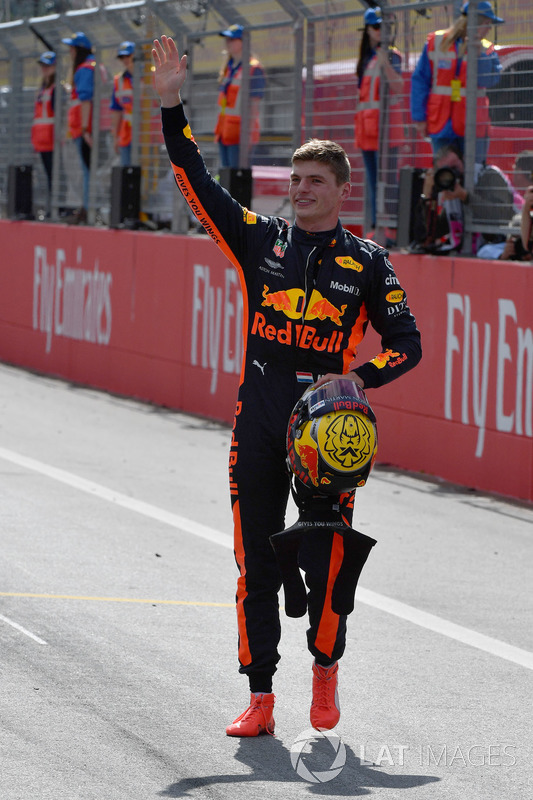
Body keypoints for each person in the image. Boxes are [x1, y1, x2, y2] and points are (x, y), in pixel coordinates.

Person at [152, 35, 421, 736]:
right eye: (294, 181)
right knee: (253, 564)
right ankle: (261, 698)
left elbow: (407, 347)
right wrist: (171, 104)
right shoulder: (257, 239)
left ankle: (324, 674)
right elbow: (193, 176)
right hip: (258, 418)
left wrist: (354, 378)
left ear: (339, 190)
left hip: (327, 433)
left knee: (331, 562)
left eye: (314, 183)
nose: (299, 190)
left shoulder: (366, 263)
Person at [410, 0, 504, 166]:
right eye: (487, 23)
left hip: (472, 125)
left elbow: (490, 79)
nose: (490, 29)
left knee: (473, 174)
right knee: (444, 174)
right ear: (474, 22)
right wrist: (419, 117)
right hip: (441, 123)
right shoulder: (436, 42)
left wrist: (478, 55)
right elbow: (420, 79)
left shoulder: (486, 49)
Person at [412, 144, 521, 254]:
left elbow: (501, 217)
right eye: (445, 172)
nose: (451, 175)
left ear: (464, 160)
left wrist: (465, 196)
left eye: (454, 168)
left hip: (504, 244)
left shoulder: (488, 175)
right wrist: (427, 198)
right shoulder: (450, 192)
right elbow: (434, 232)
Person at [355, 6, 403, 232]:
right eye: (376, 26)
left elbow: (399, 87)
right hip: (368, 130)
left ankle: (388, 228)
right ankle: (378, 226)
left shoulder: (392, 55)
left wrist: (386, 62)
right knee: (374, 183)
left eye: (384, 26)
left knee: (387, 182)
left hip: (386, 130)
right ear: (368, 30)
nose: (381, 31)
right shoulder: (365, 60)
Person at [214, 24, 265, 169]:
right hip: (224, 133)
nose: (227, 43)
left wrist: (248, 136)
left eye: (232, 39)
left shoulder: (254, 69)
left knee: (237, 181)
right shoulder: (228, 68)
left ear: (244, 42)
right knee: (226, 179)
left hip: (240, 136)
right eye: (227, 39)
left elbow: (255, 106)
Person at [62, 31, 95, 224]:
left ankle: (87, 209)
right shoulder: (93, 67)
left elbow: (85, 100)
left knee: (87, 171)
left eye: (72, 49)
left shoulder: (84, 69)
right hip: (88, 128)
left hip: (85, 129)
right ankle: (88, 208)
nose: (70, 52)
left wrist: (84, 129)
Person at [31, 51, 56, 207]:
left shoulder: (55, 88)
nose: (44, 69)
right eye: (43, 66)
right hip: (42, 139)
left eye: (48, 66)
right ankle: (51, 206)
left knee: (55, 175)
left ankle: (57, 207)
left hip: (53, 139)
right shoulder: (42, 88)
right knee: (47, 175)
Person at [110, 41, 135, 166]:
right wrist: (115, 137)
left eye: (128, 56)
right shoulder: (118, 81)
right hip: (127, 135)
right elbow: (116, 110)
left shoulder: (150, 76)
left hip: (148, 135)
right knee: (127, 172)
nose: (125, 60)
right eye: (122, 57)